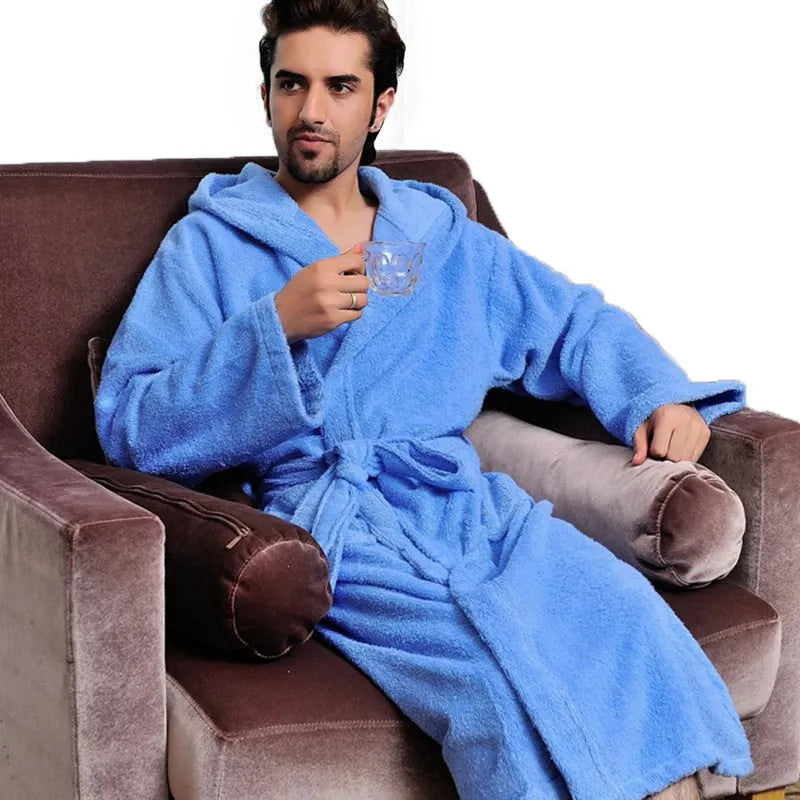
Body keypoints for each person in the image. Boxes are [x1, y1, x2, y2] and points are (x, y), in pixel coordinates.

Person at [94, 1, 754, 797]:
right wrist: (273, 328)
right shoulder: (209, 245)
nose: (311, 110)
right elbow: (132, 423)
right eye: (292, 84)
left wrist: (657, 393)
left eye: (340, 87)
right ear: (264, 95)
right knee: (491, 687)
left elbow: (571, 320)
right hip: (332, 526)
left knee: (623, 612)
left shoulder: (435, 241)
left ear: (380, 106)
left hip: (465, 504)